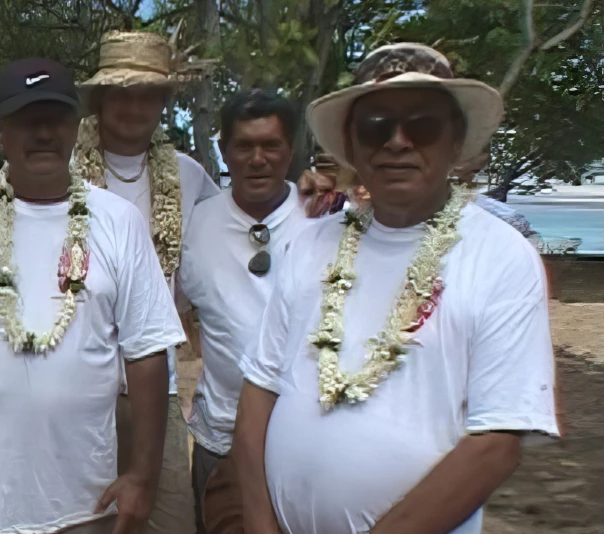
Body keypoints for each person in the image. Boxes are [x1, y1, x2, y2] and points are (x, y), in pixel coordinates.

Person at [233, 43, 559, 533]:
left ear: (455, 141)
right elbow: (260, 390)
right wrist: (260, 526)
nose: (398, 141)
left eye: (422, 124)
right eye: (376, 126)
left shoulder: (502, 257)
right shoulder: (309, 245)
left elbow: (496, 444)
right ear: (353, 145)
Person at [0, 58, 183, 534]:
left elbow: (148, 351)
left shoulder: (118, 221)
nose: (43, 132)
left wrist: (143, 477)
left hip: (85, 503)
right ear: (0, 130)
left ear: (75, 125)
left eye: (56, 118)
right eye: (27, 120)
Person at [72, 31, 221, 534]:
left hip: (155, 389)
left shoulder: (190, 176)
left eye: (148, 94)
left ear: (165, 102)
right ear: (99, 100)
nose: (134, 106)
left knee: (169, 520)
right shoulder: (61, 170)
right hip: (73, 389)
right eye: (121, 92)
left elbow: (238, 232)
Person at [177, 89, 324, 532]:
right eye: (244, 146)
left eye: (271, 145)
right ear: (224, 150)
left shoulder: (326, 219)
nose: (257, 159)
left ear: (291, 149)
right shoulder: (195, 223)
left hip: (307, 441)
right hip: (219, 440)